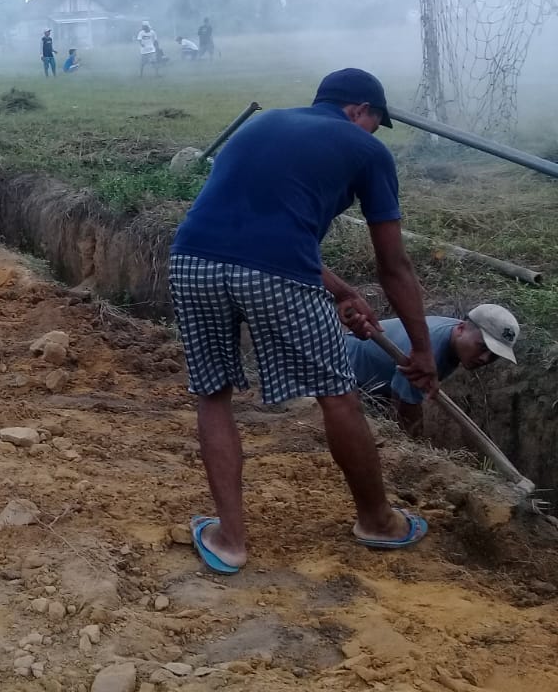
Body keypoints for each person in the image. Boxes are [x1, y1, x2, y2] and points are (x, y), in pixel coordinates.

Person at [169, 68, 435, 574]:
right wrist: (421, 350)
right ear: (361, 111)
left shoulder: (264, 124)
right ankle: (378, 522)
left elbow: (255, 224)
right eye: (376, 123)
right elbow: (394, 265)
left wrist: (339, 290)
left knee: (214, 394)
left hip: (191, 258)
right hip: (277, 273)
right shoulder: (368, 151)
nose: (375, 134)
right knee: (338, 395)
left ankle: (229, 540)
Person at [347, 305, 519, 437]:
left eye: (494, 355)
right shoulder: (428, 350)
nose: (485, 359)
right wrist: (418, 446)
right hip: (346, 373)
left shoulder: (453, 339)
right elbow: (405, 404)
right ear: (461, 329)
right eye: (482, 347)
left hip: (376, 385)